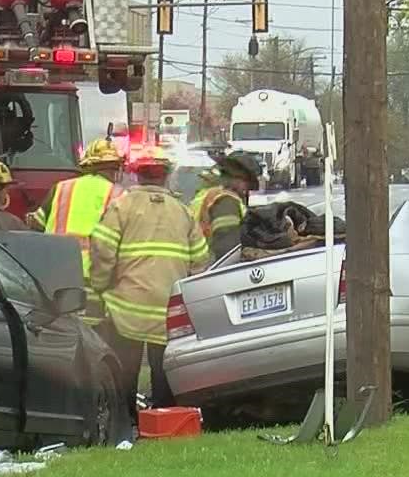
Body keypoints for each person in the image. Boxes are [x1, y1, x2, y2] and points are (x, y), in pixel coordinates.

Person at [86, 146, 209, 414]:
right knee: (163, 371)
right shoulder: (183, 212)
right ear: (166, 176)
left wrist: (100, 285)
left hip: (126, 309)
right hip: (167, 311)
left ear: (137, 175)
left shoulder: (121, 207)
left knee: (124, 371)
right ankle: (163, 418)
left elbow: (102, 250)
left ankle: (125, 418)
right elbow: (200, 262)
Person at [35, 139, 124, 273]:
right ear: (116, 170)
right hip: (92, 272)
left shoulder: (60, 187)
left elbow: (37, 224)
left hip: (53, 269)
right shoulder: (118, 194)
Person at [194, 150, 259, 260]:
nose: (247, 190)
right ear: (237, 177)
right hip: (214, 267)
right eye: (247, 182)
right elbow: (227, 248)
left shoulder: (208, 194)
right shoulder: (226, 202)